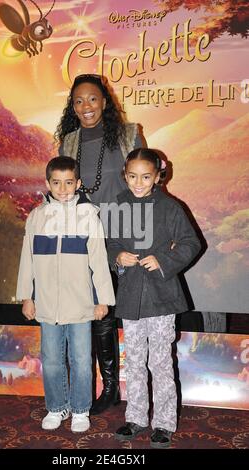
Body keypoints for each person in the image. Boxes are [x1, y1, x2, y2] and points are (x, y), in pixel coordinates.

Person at [55, 73, 146, 414]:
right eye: (78, 101)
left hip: (129, 234)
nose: (86, 106)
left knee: (136, 312)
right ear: (73, 107)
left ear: (105, 102)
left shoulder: (128, 134)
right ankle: (109, 389)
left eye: (92, 98)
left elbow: (146, 178)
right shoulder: (69, 142)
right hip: (89, 237)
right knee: (101, 315)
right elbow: (63, 190)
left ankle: (141, 388)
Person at [107, 148, 201, 448]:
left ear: (159, 175)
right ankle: (135, 416)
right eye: (132, 176)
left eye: (146, 176)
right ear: (125, 175)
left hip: (162, 299)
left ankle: (163, 422)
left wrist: (162, 259)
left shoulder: (170, 207)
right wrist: (117, 256)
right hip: (130, 297)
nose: (138, 182)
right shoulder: (118, 205)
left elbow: (190, 243)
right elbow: (108, 243)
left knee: (160, 363)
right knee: (133, 361)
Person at [16, 156, 115, 433]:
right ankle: (56, 407)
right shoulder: (36, 217)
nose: (62, 188)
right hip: (47, 305)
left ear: (78, 183)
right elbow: (28, 259)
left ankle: (81, 409)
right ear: (48, 183)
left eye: (69, 182)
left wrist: (102, 299)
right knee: (50, 358)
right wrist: (27, 295)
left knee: (82, 359)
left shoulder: (88, 217)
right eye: (56, 183)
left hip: (81, 305)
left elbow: (98, 260)